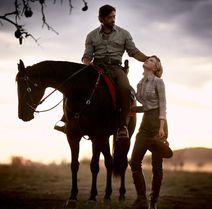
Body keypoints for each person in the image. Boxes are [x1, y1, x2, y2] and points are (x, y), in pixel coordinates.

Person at [81, 4, 149, 140]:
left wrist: (149, 58)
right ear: (101, 19)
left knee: (124, 88)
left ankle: (122, 126)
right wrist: (87, 64)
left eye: (114, 17)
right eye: (109, 17)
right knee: (79, 86)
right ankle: (68, 120)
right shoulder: (91, 36)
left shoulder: (124, 34)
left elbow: (134, 52)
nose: (113, 20)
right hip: (97, 68)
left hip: (116, 68)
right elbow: (87, 56)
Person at [129, 56, 172, 209]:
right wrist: (132, 109)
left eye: (152, 60)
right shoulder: (139, 83)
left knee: (156, 166)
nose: (148, 60)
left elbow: (162, 105)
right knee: (134, 162)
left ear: (155, 68)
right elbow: (146, 106)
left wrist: (161, 127)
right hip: (145, 123)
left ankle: (153, 201)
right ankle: (142, 199)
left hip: (157, 124)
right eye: (148, 59)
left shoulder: (158, 82)